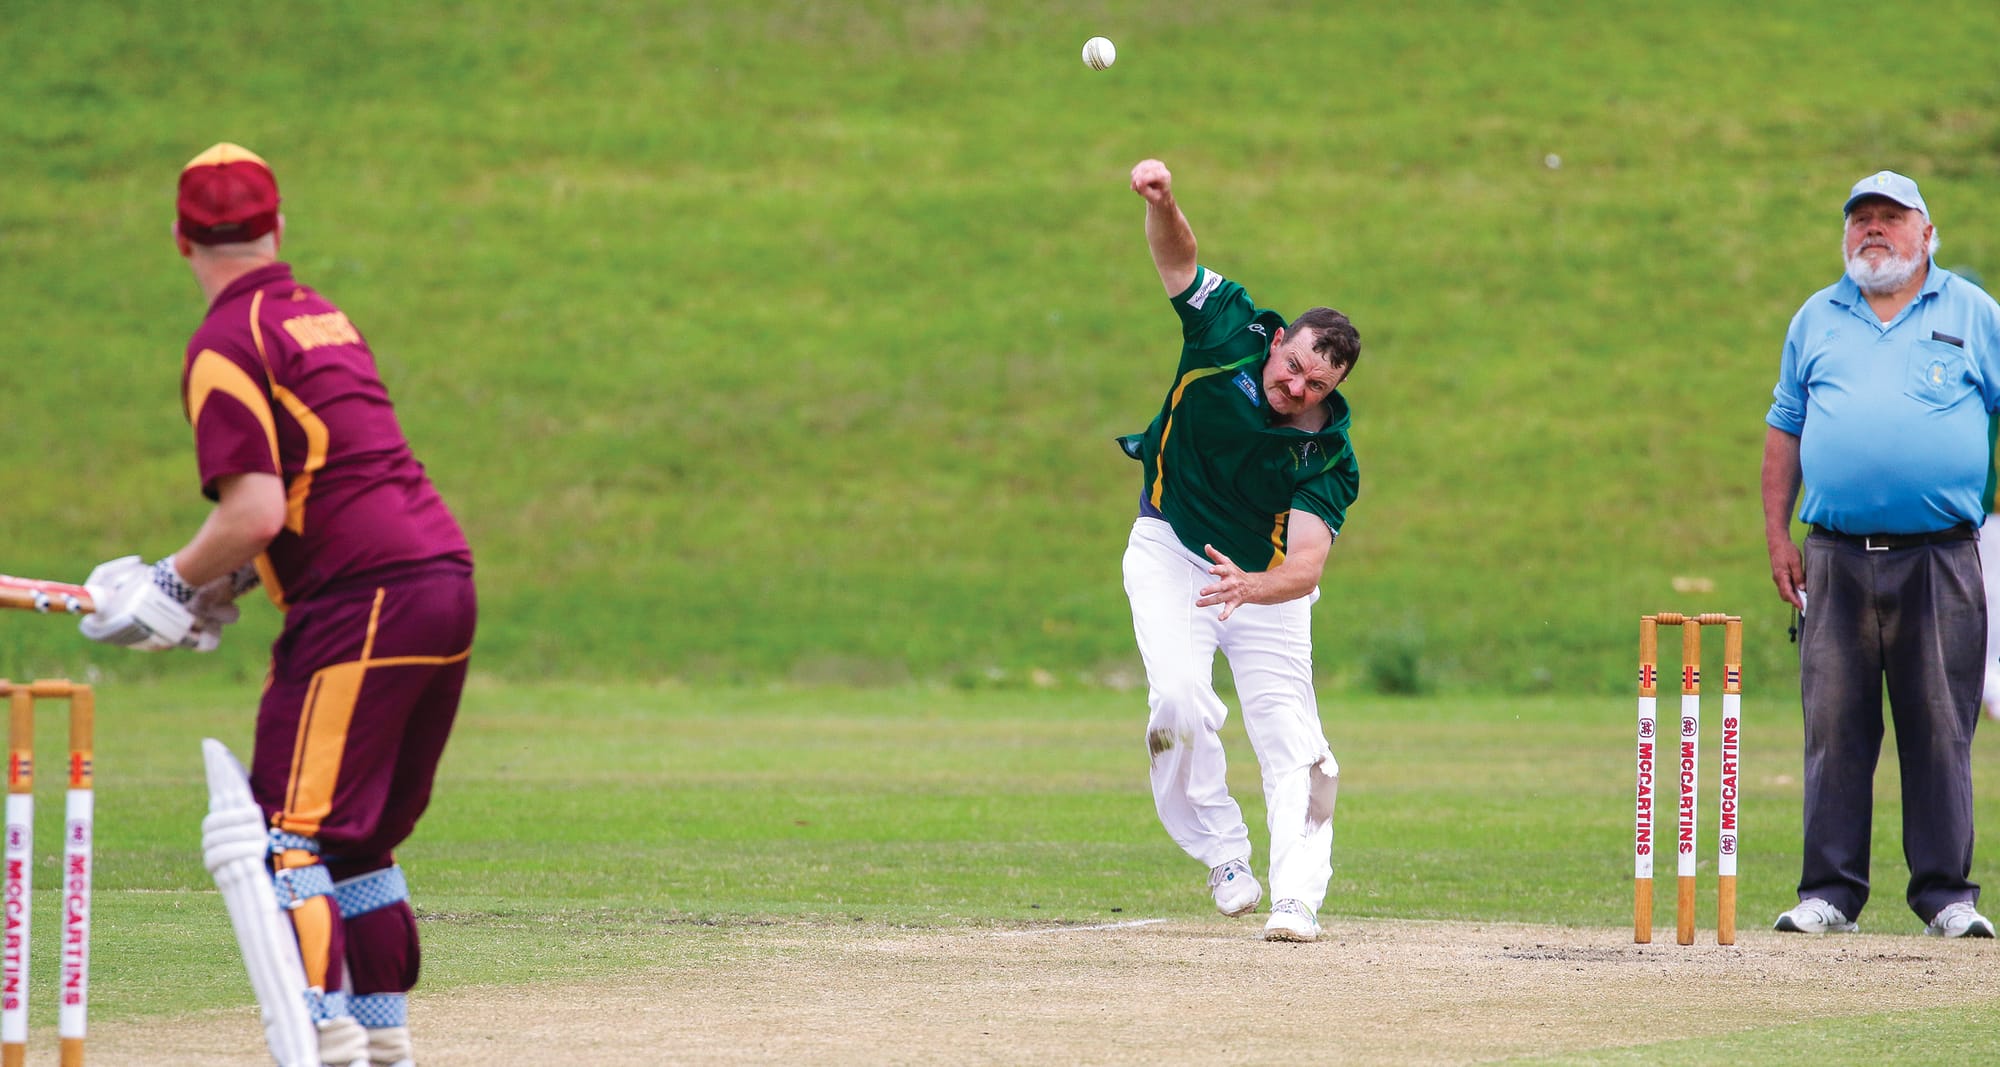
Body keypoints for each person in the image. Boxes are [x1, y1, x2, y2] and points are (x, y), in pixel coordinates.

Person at [78, 143, 477, 1065]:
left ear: (180, 238)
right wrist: (221, 586)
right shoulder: (321, 317)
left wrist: (171, 585)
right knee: (359, 839)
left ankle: (321, 1032)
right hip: (439, 582)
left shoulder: (225, 341)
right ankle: (383, 1046)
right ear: (278, 227)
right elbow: (317, 492)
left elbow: (255, 508)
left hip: (362, 601)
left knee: (286, 837)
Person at [1116, 159, 1359, 943]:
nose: (1293, 389)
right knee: (1179, 702)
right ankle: (1224, 853)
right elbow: (1177, 258)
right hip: (1172, 544)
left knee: (1296, 743)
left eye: (1313, 386)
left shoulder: (1327, 453)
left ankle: (1297, 897)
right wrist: (1165, 200)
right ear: (1281, 341)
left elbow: (1307, 568)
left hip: (1265, 583)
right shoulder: (1230, 326)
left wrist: (1251, 587)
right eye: (1292, 368)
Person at [1762, 170, 1999, 939]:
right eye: (1861, 219)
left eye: (1891, 218)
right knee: (1835, 726)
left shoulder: (1971, 310)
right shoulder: (1816, 316)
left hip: (1940, 557)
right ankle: (1830, 892)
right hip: (1834, 554)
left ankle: (1947, 897)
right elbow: (1785, 427)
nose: (1874, 230)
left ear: (1926, 232)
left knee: (1939, 724)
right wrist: (1776, 535)